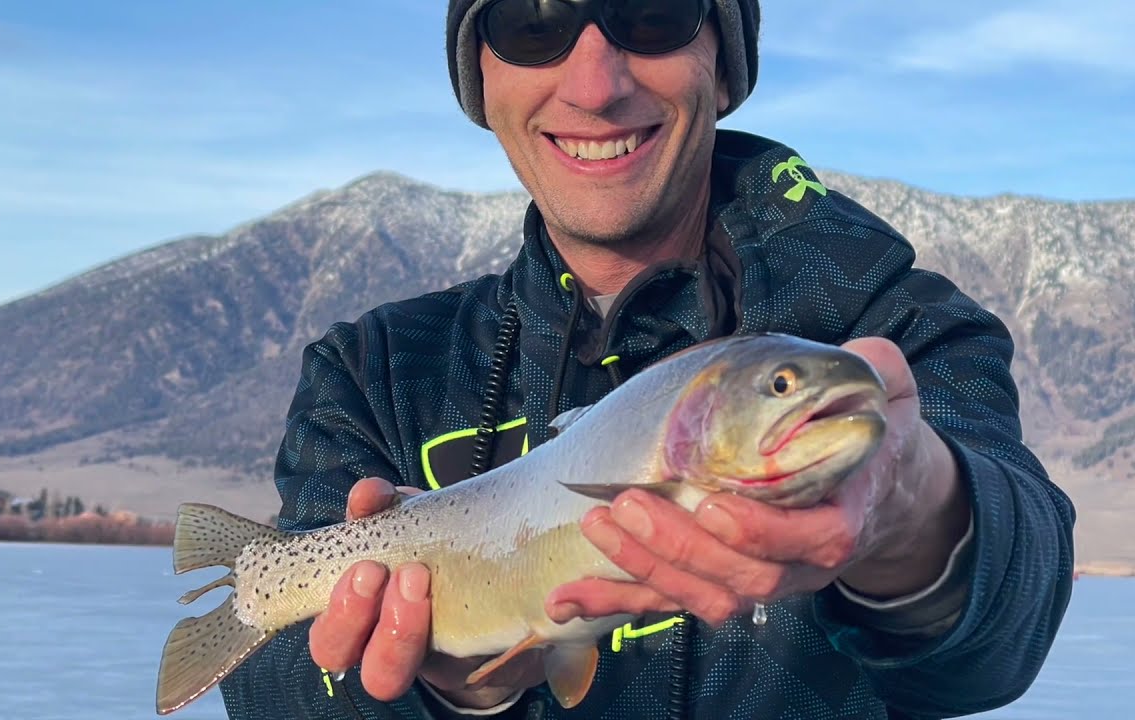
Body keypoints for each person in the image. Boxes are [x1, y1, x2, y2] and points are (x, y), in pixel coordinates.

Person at [218, 0, 1077, 717]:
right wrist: (445, 687)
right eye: (531, 23)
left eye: (653, 12)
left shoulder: (892, 333)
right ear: (481, 79)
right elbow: (269, 694)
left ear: (726, 64)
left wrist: (911, 510)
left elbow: (1009, 635)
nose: (596, 85)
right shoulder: (374, 372)